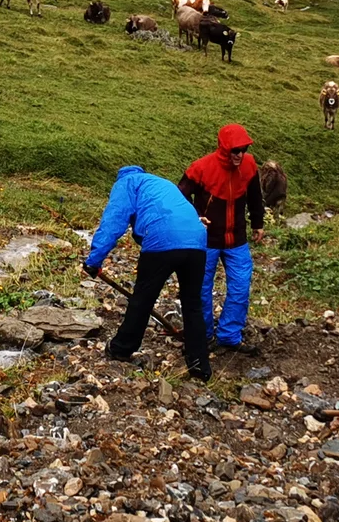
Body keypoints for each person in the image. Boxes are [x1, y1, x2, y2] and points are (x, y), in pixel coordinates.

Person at [84, 165, 211, 380]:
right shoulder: (160, 183)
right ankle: (199, 365)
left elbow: (114, 221)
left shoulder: (126, 183)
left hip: (163, 239)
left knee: (142, 298)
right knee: (192, 304)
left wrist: (94, 260)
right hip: (197, 241)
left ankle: (121, 348)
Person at [178, 123, 268, 353]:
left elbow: (256, 196)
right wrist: (195, 217)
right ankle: (203, 335)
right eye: (235, 150)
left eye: (244, 149)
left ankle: (229, 335)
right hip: (205, 241)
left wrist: (258, 223)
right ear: (224, 148)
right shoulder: (201, 168)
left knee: (240, 288)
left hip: (237, 240)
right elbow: (179, 195)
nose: (240, 155)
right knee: (201, 290)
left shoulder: (248, 166)